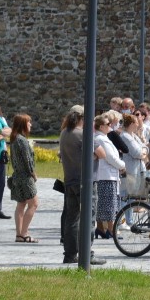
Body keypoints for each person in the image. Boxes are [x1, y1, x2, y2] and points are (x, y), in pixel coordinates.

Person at [60, 108, 106, 266]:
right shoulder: (83, 134)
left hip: (70, 179)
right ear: (82, 118)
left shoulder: (64, 133)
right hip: (85, 181)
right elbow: (102, 154)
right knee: (88, 218)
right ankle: (87, 253)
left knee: (71, 219)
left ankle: (70, 254)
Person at [8, 114, 39, 243]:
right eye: (28, 122)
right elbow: (27, 160)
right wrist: (33, 173)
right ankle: (24, 233)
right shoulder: (22, 140)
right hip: (25, 177)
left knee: (21, 204)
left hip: (17, 176)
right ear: (23, 124)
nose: (30, 125)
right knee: (34, 204)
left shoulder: (15, 139)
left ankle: (19, 234)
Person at [93, 114, 124, 240]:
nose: (110, 126)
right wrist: (122, 165)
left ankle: (101, 228)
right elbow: (110, 157)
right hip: (106, 175)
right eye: (107, 124)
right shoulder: (100, 139)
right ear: (101, 126)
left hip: (108, 174)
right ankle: (110, 229)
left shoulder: (103, 137)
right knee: (109, 204)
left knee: (105, 203)